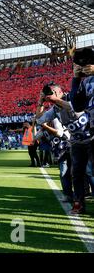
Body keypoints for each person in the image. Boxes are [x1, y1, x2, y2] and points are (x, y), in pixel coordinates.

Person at [70, 49, 94, 214]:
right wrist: (76, 79)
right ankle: (79, 203)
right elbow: (77, 105)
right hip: (92, 131)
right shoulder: (87, 82)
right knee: (79, 172)